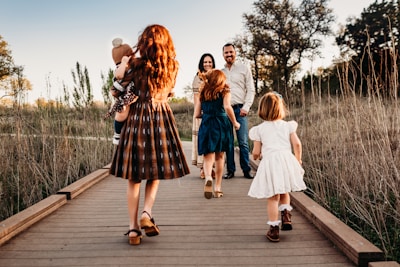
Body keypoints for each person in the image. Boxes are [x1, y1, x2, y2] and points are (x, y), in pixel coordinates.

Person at [109, 24, 190, 245]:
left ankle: (133, 229)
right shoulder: (171, 66)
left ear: (143, 42)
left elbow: (118, 89)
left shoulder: (135, 65)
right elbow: (170, 90)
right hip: (161, 118)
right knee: (154, 172)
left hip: (137, 119)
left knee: (134, 177)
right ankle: (147, 213)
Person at [247, 91, 306, 242]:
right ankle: (286, 216)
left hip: (271, 163)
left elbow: (255, 152)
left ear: (262, 110)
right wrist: (298, 160)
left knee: (273, 197)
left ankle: (274, 229)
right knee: (284, 189)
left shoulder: (259, 129)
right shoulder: (288, 126)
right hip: (286, 160)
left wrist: (256, 156)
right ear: (280, 109)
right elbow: (297, 144)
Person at [194, 69, 240, 199]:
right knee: (220, 157)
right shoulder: (225, 91)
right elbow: (227, 107)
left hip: (207, 124)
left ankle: (208, 177)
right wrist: (235, 122)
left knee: (208, 157)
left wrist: (207, 113)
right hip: (221, 124)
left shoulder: (202, 92)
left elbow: (197, 114)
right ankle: (218, 187)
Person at [221, 43, 255, 179]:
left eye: (231, 52)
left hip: (240, 110)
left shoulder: (244, 68)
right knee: (228, 142)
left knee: (243, 142)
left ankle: (246, 170)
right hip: (225, 112)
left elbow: (251, 89)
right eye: (226, 53)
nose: (229, 55)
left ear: (235, 53)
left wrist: (246, 107)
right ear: (223, 55)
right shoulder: (221, 72)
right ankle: (230, 170)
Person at [104, 38, 138, 145]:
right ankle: (117, 133)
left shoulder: (134, 66)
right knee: (122, 111)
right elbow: (119, 75)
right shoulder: (120, 67)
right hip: (124, 94)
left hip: (132, 92)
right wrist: (123, 63)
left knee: (127, 112)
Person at [191, 53, 216, 179]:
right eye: (205, 62)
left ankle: (211, 167)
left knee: (213, 140)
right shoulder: (198, 78)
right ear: (201, 64)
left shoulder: (216, 76)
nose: (207, 64)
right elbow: (197, 99)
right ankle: (203, 168)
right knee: (202, 141)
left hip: (214, 114)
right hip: (202, 113)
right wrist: (199, 114)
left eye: (210, 62)